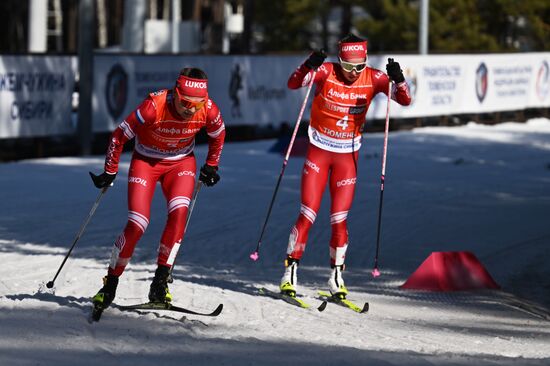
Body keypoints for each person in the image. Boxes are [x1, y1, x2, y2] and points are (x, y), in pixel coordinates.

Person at [280, 34, 411, 298]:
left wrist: (398, 78)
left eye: (359, 66)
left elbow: (405, 99)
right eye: (348, 66)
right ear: (339, 61)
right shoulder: (327, 72)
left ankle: (336, 277)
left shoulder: (373, 78)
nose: (353, 73)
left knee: (339, 219)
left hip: (347, 158)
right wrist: (309, 64)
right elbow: (294, 83)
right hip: (319, 152)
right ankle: (290, 273)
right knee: (308, 213)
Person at [91, 67, 226, 310]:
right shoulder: (154, 106)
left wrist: (212, 165)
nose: (191, 110)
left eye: (198, 104)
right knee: (137, 223)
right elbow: (119, 136)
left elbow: (219, 134)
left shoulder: (208, 109)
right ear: (176, 93)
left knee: (179, 215)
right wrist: (110, 170)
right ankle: (110, 284)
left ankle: (160, 284)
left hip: (181, 163)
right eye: (186, 103)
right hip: (146, 162)